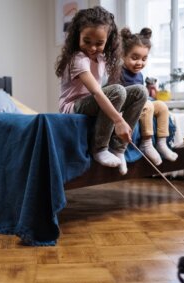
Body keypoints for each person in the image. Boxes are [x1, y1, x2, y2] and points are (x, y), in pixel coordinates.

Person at [55, 6, 147, 175]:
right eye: (87, 41)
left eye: (99, 43)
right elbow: (98, 92)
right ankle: (99, 148)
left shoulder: (102, 58)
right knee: (117, 91)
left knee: (140, 91)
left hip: (92, 102)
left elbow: (105, 92)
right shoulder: (78, 58)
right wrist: (119, 121)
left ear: (108, 41)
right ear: (77, 37)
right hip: (72, 107)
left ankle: (119, 149)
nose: (92, 48)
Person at [120, 27, 178, 165]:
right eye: (135, 58)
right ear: (123, 55)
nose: (140, 62)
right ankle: (146, 144)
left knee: (162, 106)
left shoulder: (139, 74)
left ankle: (161, 142)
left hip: (142, 102)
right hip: (129, 106)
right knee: (147, 106)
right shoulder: (119, 73)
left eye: (144, 59)